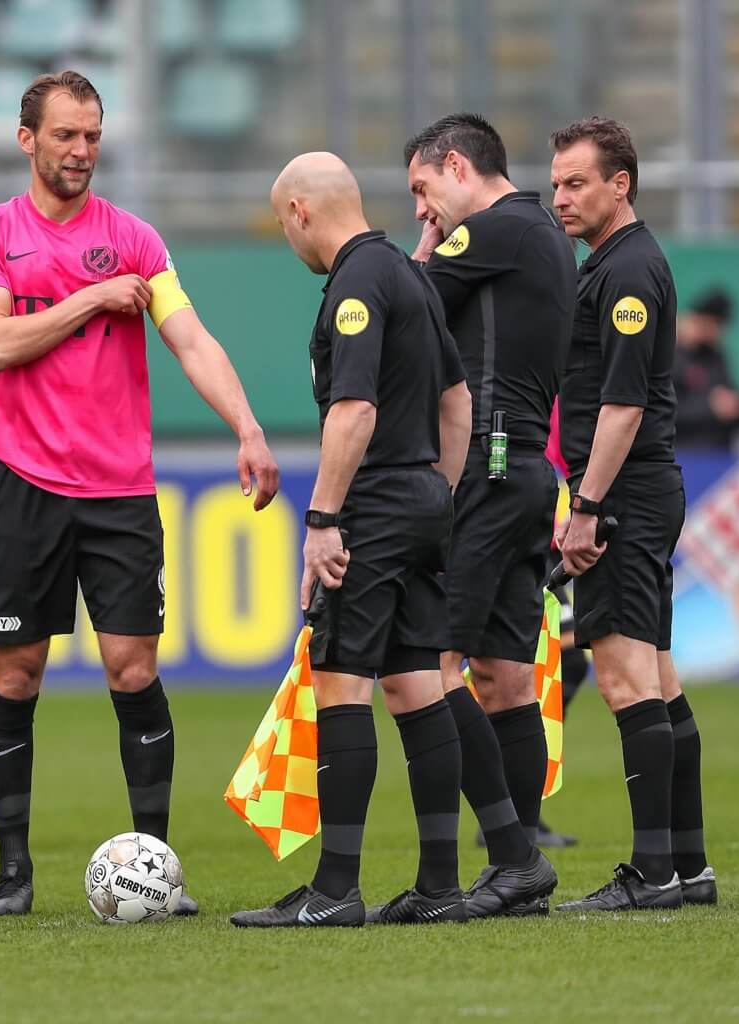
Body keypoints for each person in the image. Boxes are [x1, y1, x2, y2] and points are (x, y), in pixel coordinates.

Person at [0, 70, 280, 918]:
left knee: (132, 669)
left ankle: (158, 870)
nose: (81, 152)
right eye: (65, 135)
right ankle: (13, 874)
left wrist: (247, 424)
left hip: (119, 492)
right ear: (27, 140)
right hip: (24, 483)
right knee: (17, 675)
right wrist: (91, 298)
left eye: (93, 136)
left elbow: (191, 338)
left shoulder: (135, 238)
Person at [231, 152, 470, 929]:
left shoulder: (357, 284)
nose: (288, 238)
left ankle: (335, 889)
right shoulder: (411, 274)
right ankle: (441, 886)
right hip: (423, 495)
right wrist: (439, 492)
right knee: (415, 683)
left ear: (301, 210)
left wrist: (325, 520)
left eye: (282, 222)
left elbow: (354, 410)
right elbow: (457, 401)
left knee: (342, 683)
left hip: (372, 503)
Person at [403, 112, 574, 917]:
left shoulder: (498, 230)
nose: (421, 211)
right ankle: (521, 868)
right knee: (505, 678)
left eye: (423, 189)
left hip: (489, 462)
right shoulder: (537, 230)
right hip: (526, 471)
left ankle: (511, 861)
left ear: (460, 166)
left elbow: (398, 302)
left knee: (435, 668)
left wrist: (427, 246)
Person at [548, 117, 714, 911]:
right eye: (555, 184)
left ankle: (653, 875)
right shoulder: (618, 264)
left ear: (621, 185)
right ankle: (689, 867)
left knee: (621, 681)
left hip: (625, 495)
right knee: (657, 676)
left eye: (576, 183)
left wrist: (586, 508)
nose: (561, 197)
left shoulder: (626, 273)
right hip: (644, 492)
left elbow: (620, 407)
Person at [674, 286, 739, 450]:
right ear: (700, 319)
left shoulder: (716, 357)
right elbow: (659, 411)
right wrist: (709, 407)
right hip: (680, 455)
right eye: (716, 324)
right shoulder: (668, 354)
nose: (720, 332)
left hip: (718, 455)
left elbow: (727, 399)